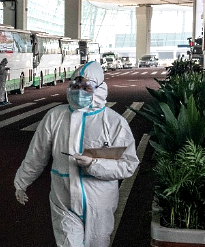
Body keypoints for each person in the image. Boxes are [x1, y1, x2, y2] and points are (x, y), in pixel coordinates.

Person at [13, 61, 139, 247]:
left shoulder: (114, 123)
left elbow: (128, 164)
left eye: (87, 86)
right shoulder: (55, 116)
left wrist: (93, 164)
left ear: (99, 88)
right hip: (63, 199)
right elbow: (37, 154)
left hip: (99, 202)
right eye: (76, 85)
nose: (80, 90)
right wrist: (21, 182)